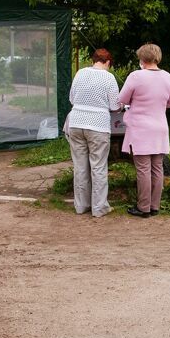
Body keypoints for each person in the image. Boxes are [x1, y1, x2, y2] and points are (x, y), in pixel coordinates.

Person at [118, 43, 170, 218]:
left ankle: (143, 207)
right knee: (157, 168)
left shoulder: (136, 76)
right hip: (160, 127)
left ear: (142, 59)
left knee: (143, 169)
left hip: (140, 128)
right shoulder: (168, 77)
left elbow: (122, 98)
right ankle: (155, 206)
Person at [67, 48, 121, 217]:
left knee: (80, 167)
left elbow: (72, 98)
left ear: (93, 60)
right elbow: (114, 106)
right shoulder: (109, 77)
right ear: (108, 62)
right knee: (98, 167)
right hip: (98, 126)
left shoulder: (80, 73)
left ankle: (81, 206)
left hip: (75, 123)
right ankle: (99, 208)